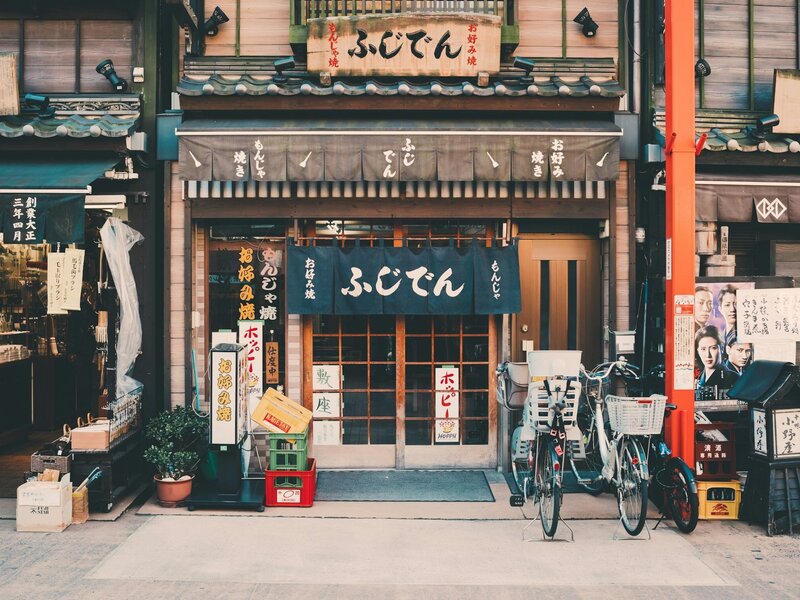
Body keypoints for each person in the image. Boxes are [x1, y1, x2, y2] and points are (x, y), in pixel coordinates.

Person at [695, 325, 739, 390]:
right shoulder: (700, 377)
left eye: (713, 348)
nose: (708, 355)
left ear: (721, 348)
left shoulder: (733, 377)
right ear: (698, 351)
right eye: (703, 349)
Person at [717, 285, 738, 350]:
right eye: (727, 305)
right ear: (720, 309)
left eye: (736, 304)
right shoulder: (720, 337)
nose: (732, 309)